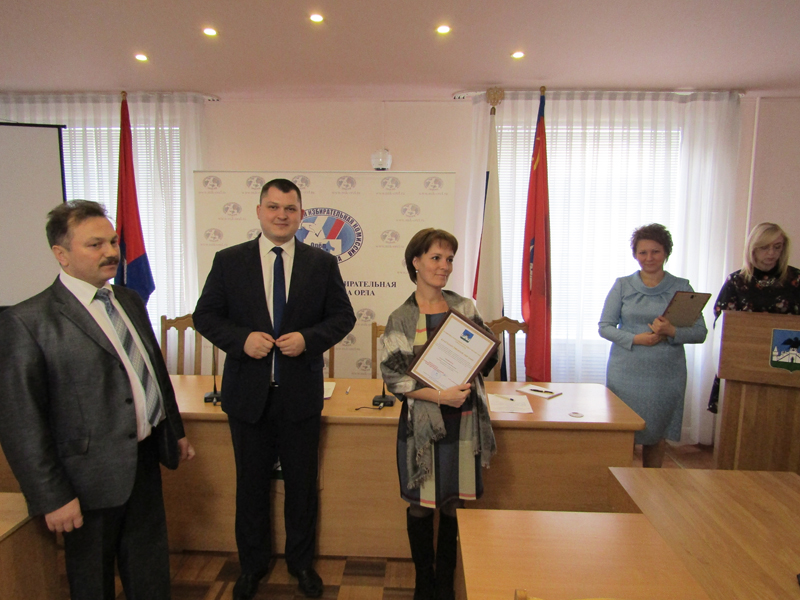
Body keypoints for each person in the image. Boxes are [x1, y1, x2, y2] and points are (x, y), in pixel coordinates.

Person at [0, 200, 195, 600]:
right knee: (93, 585)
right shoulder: (27, 321)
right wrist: (52, 496)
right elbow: (21, 423)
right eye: (95, 245)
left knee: (150, 575)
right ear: (61, 254)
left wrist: (173, 431)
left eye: (113, 241)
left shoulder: (128, 300)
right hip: (85, 481)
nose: (110, 252)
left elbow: (153, 372)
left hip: (142, 463)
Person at [193, 178, 355, 600]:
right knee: (250, 487)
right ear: (259, 211)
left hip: (300, 396)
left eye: (290, 208)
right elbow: (205, 316)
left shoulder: (321, 264)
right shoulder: (229, 261)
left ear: (301, 215)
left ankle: (301, 565)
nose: (281, 215)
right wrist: (241, 340)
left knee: (302, 487)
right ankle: (252, 566)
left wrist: (309, 339)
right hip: (248, 397)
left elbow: (343, 317)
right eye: (273, 207)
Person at [380, 228, 497, 600]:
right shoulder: (401, 317)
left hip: (464, 420)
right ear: (416, 262)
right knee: (420, 504)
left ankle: (445, 582)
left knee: (453, 502)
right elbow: (394, 377)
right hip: (422, 426)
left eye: (449, 259)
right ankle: (423, 581)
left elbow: (486, 360)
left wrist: (487, 346)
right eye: (435, 258)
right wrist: (439, 395)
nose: (444, 266)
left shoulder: (465, 307)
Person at [598, 223, 707, 468]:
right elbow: (604, 327)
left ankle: (651, 483)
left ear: (666, 252)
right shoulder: (622, 285)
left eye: (655, 251)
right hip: (626, 374)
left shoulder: (682, 287)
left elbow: (700, 332)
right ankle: (621, 483)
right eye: (643, 252)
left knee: (657, 434)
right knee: (623, 433)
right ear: (635, 255)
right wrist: (636, 339)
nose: (649, 258)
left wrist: (671, 331)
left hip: (665, 375)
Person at [708, 222, 800, 412]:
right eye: (765, 247)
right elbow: (722, 324)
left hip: (785, 364)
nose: (771, 253)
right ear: (753, 249)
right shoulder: (736, 281)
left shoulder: (796, 280)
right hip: (744, 362)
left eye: (777, 247)